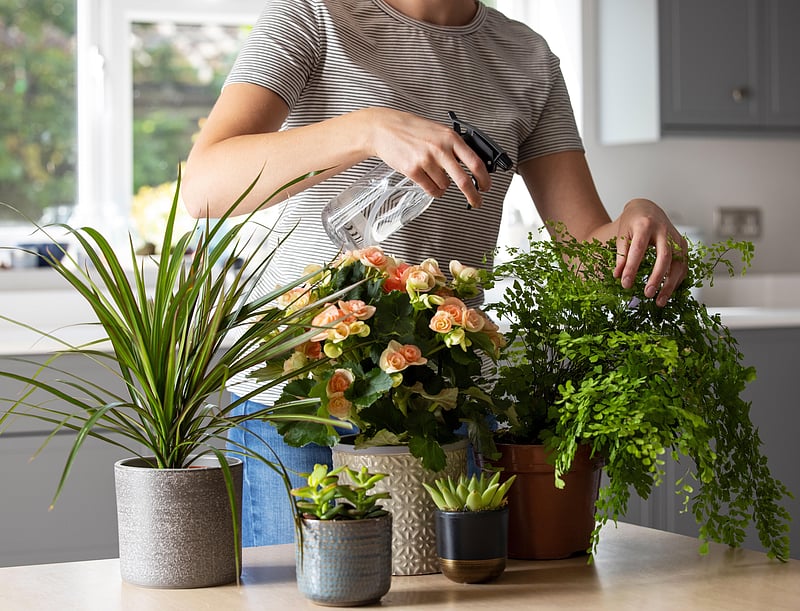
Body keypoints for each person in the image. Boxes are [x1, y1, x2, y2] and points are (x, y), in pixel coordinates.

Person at [182, 0, 688, 546]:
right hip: (302, 403)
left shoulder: (527, 58)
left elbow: (584, 257)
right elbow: (205, 187)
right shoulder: (312, 16)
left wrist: (637, 220)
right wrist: (369, 129)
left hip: (441, 404)